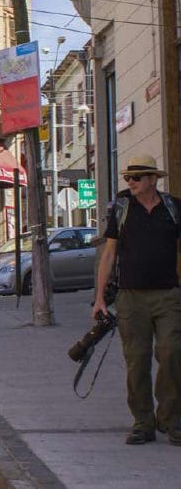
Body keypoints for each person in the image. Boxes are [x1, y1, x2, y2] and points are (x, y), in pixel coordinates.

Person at [93, 154, 181, 446]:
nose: (130, 182)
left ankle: (170, 419)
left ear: (153, 179)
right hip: (130, 297)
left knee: (172, 354)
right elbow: (109, 254)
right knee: (136, 361)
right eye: (128, 178)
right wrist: (99, 298)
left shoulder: (173, 208)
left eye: (136, 178)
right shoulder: (122, 209)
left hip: (168, 295)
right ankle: (143, 422)